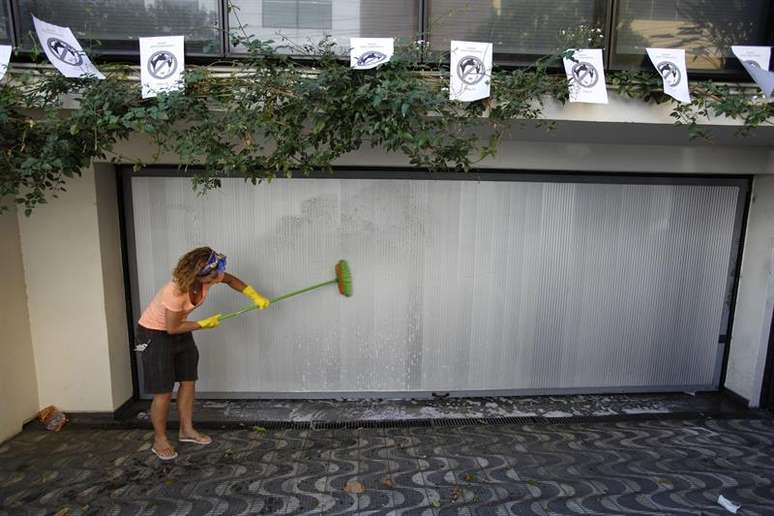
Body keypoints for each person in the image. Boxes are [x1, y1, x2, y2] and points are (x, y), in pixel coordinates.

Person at [135, 247, 270, 460]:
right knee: (163, 390)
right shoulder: (175, 291)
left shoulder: (210, 276)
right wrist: (202, 324)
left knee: (188, 380)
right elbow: (171, 328)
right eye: (214, 274)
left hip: (181, 327)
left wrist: (254, 296)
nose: (218, 277)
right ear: (196, 274)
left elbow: (231, 280)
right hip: (155, 334)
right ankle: (160, 439)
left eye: (218, 271)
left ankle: (186, 430)